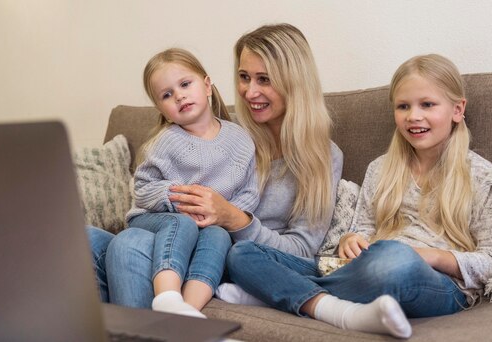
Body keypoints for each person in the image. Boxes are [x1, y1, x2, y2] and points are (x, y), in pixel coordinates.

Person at [225, 54, 492, 338]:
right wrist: (350, 240)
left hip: (437, 283)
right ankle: (319, 301)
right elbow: (362, 231)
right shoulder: (380, 168)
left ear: (457, 110)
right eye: (403, 106)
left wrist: (430, 256)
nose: (413, 116)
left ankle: (277, 292)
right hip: (363, 267)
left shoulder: (482, 174)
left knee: (395, 259)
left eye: (428, 105)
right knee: (241, 253)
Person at [92, 23, 343, 317]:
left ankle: (165, 322)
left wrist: (232, 217)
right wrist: (174, 201)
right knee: (91, 238)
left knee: (129, 244)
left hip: (220, 255)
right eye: (244, 77)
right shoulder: (228, 132)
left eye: (264, 79)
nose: (250, 92)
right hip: (176, 240)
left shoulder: (323, 156)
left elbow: (301, 253)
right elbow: (151, 188)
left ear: (295, 83)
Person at [87, 47, 259, 318]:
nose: (179, 95)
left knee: (218, 235)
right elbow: (142, 188)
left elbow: (249, 191)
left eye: (185, 84)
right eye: (167, 95)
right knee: (183, 221)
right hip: (154, 219)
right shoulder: (167, 141)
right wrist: (178, 199)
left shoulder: (240, 139)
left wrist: (223, 212)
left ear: (207, 86)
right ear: (163, 111)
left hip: (210, 225)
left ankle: (186, 312)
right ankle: (167, 296)